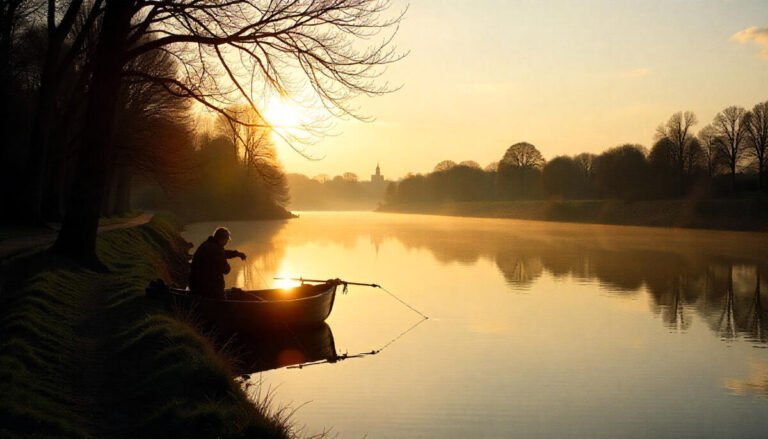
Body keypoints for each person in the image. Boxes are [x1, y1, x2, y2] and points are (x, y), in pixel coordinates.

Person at [189, 227, 246, 298]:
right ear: (222, 239)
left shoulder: (206, 245)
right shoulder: (216, 250)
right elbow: (226, 270)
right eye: (227, 240)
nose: (226, 243)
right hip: (208, 290)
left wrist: (236, 254)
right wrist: (228, 265)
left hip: (195, 286)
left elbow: (222, 253)